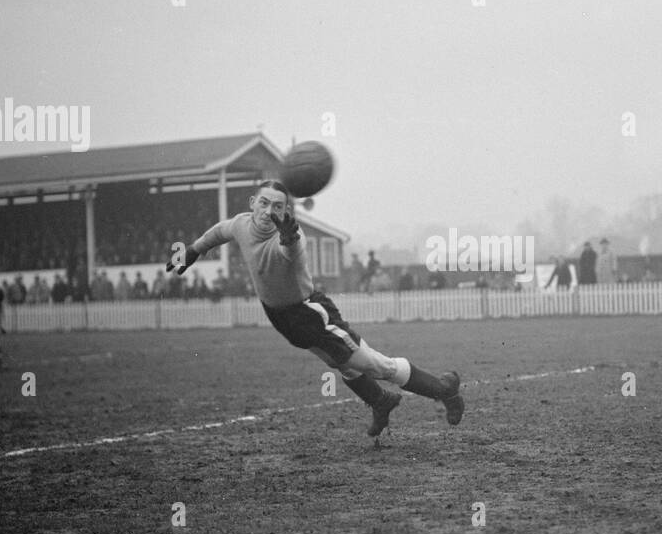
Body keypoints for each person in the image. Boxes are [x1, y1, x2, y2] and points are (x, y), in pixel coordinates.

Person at [166, 179, 463, 438]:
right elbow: (219, 232)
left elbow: (289, 249)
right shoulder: (241, 224)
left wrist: (288, 235)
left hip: (310, 313)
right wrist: (192, 252)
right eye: (265, 203)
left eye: (278, 207)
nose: (270, 211)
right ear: (252, 203)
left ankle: (443, 389)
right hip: (281, 318)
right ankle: (381, 401)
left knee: (376, 366)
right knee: (341, 364)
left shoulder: (292, 238)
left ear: (286, 213)